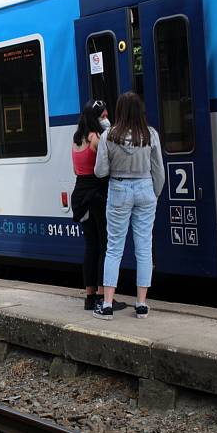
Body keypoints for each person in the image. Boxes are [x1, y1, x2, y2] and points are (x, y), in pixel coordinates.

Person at [92, 92, 164, 320]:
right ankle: (141, 305)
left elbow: (100, 172)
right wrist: (155, 193)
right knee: (144, 248)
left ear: (119, 111)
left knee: (114, 248)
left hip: (119, 190)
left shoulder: (108, 136)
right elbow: (158, 170)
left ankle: (107, 305)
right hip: (145, 188)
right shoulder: (150, 134)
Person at [70, 100, 111, 310]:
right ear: (96, 118)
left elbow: (76, 171)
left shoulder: (76, 140)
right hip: (96, 195)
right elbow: (104, 166)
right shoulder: (96, 138)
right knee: (104, 244)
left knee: (90, 245)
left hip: (80, 195)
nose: (105, 118)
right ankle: (104, 295)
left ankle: (90, 296)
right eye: (103, 116)